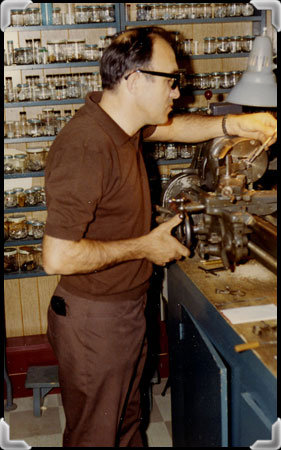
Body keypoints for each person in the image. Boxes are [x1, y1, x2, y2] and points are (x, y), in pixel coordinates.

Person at [43, 27, 277, 447]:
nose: (177, 92)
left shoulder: (122, 125)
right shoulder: (85, 146)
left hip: (123, 307)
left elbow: (174, 128)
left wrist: (233, 122)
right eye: (172, 79)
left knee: (126, 422)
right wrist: (145, 246)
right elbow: (56, 258)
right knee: (96, 435)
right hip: (94, 319)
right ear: (134, 80)